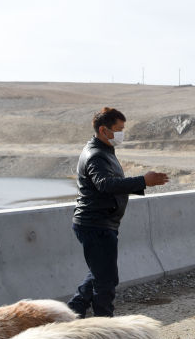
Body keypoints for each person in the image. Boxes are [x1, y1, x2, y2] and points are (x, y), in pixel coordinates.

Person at [68, 107, 169, 317]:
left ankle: (71, 314)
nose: (122, 133)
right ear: (103, 130)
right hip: (95, 225)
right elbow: (105, 184)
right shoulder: (96, 155)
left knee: (99, 274)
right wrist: (143, 181)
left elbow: (113, 184)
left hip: (101, 224)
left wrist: (144, 183)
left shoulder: (104, 151)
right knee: (106, 280)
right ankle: (105, 325)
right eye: (119, 129)